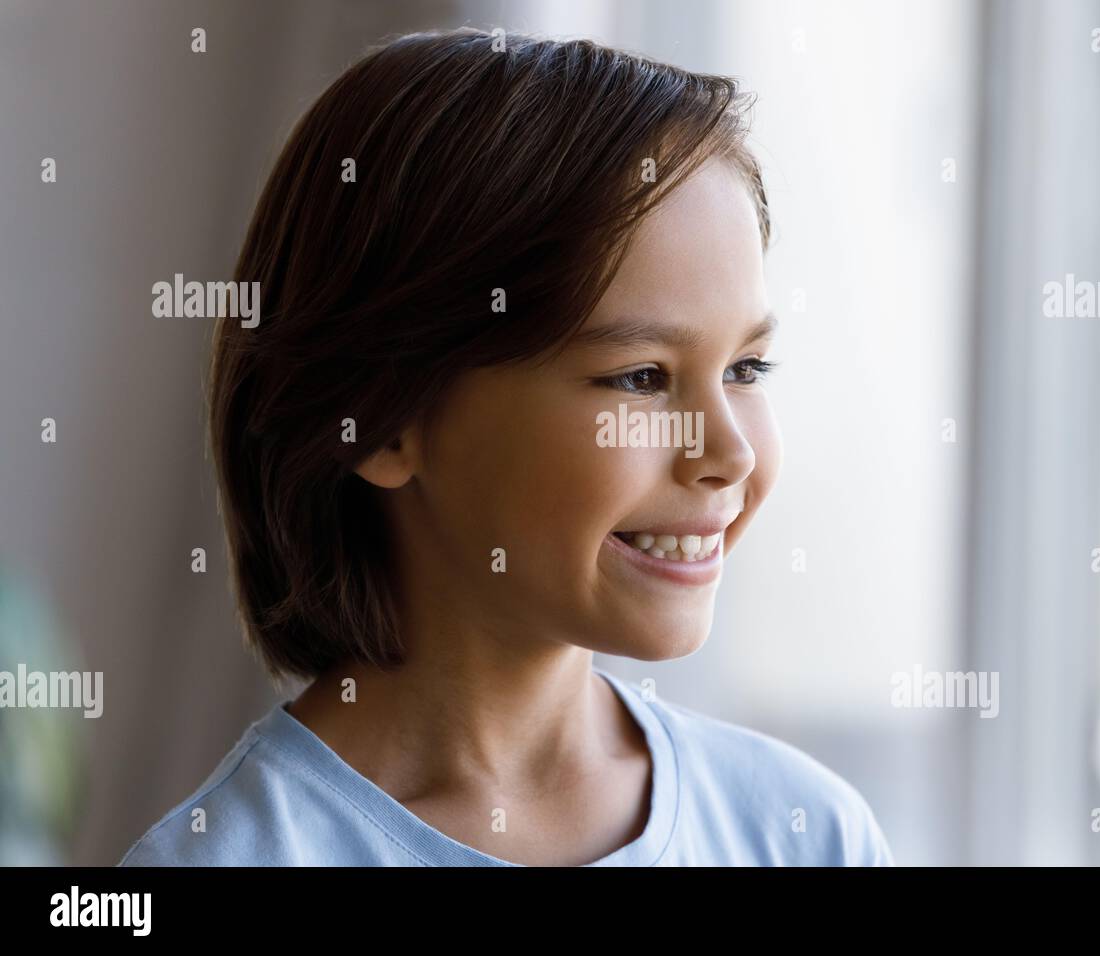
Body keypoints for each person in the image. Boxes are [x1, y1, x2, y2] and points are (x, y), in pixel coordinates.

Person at [118, 28, 893, 867]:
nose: (730, 453)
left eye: (747, 366)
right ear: (383, 419)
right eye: (639, 378)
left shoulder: (807, 834)